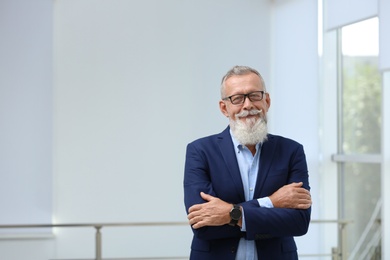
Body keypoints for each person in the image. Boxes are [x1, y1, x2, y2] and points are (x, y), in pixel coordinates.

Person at [183, 65, 312, 260]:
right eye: (237, 98)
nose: (247, 105)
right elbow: (204, 226)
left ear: (266, 101)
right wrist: (272, 203)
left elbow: (298, 222)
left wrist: (229, 214)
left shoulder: (291, 151)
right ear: (224, 108)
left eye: (254, 95)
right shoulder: (200, 151)